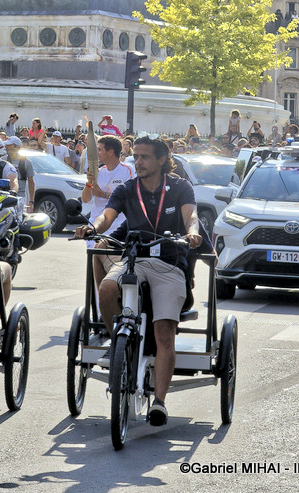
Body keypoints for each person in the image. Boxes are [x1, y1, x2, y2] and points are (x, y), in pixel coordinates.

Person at [74, 135, 202, 426]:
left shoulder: (180, 187)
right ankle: (117, 342)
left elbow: (191, 217)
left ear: (160, 160)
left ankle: (159, 402)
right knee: (108, 287)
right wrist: (92, 227)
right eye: (137, 157)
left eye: (144, 157)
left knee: (164, 332)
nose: (138, 162)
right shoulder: (129, 189)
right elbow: (107, 216)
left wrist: (192, 232)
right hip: (135, 259)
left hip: (169, 264)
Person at [81, 135, 135, 288]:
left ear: (110, 152)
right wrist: (89, 183)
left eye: (100, 149)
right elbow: (85, 199)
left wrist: (104, 194)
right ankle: (98, 309)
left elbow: (130, 198)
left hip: (117, 230)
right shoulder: (98, 172)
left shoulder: (127, 171)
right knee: (95, 277)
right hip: (96, 229)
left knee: (113, 276)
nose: (97, 153)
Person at [4, 137, 35, 212]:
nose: (7, 147)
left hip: (20, 196)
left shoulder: (27, 162)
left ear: (17, 147)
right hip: (5, 195)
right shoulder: (3, 161)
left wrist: (31, 201)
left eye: (9, 145)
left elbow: (31, 182)